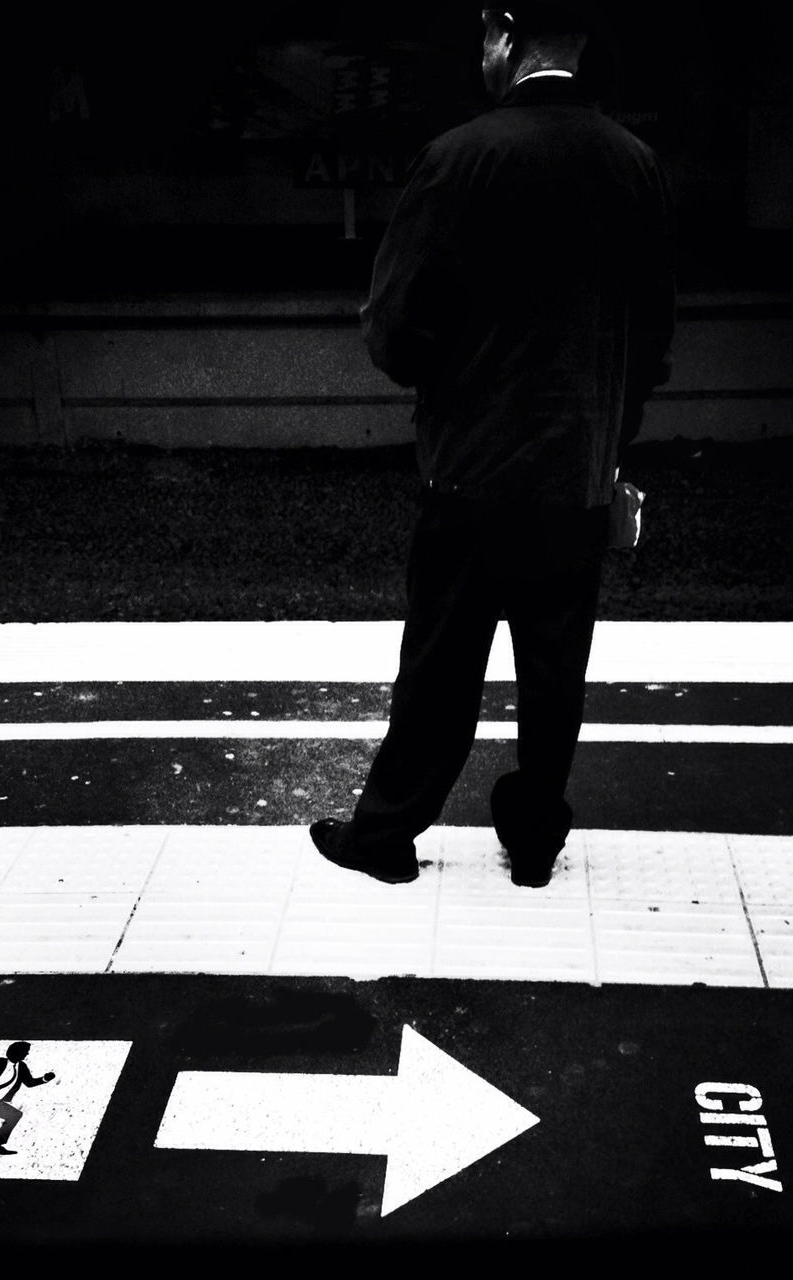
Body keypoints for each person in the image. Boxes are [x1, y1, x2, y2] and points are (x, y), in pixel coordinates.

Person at [310, 3, 676, 888]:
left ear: (507, 36)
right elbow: (654, 335)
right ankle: (535, 837)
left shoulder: (459, 158)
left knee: (441, 661)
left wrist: (448, 373)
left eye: (483, 37)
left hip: (471, 465)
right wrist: (610, 435)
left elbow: (395, 331)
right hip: (578, 469)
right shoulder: (635, 165)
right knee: (555, 670)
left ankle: (389, 833)